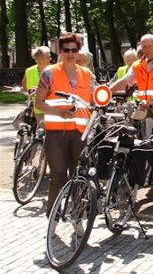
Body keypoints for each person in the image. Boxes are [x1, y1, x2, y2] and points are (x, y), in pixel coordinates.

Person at [110, 34, 153, 201]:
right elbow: (125, 80)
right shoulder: (138, 64)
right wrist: (106, 91)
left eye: (149, 46)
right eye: (143, 46)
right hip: (144, 106)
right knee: (128, 135)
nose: (146, 49)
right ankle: (131, 177)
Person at [35, 33, 95, 217]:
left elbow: (94, 102)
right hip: (56, 134)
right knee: (58, 176)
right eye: (66, 50)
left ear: (79, 52)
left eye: (74, 50)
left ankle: (77, 218)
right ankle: (53, 217)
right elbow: (39, 103)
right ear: (60, 51)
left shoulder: (87, 74)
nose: (70, 54)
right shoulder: (49, 73)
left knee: (79, 177)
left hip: (80, 134)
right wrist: (59, 113)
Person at [22, 46, 52, 118]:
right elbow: (25, 88)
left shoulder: (29, 71)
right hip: (46, 109)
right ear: (41, 59)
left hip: (49, 109)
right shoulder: (54, 70)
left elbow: (25, 88)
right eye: (48, 57)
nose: (50, 59)